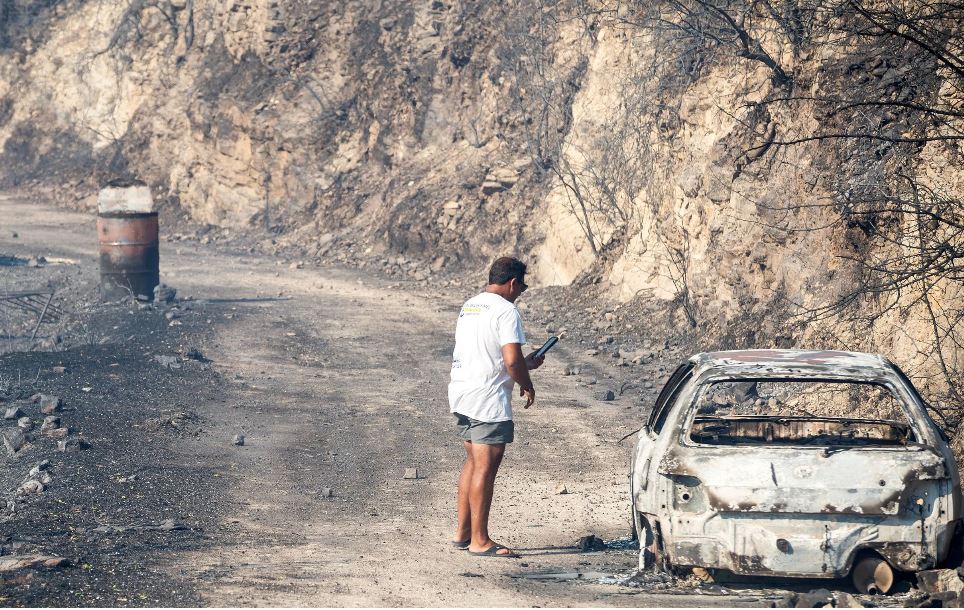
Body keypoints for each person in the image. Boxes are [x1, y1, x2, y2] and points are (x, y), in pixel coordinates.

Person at [448, 256, 544, 557]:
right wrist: (527, 383)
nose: (520, 293)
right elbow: (511, 361)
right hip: (487, 399)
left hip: (462, 392)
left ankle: (463, 534)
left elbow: (490, 355)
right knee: (485, 468)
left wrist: (525, 365)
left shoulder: (470, 305)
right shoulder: (506, 311)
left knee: (473, 463)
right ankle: (480, 541)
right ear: (513, 282)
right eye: (522, 288)